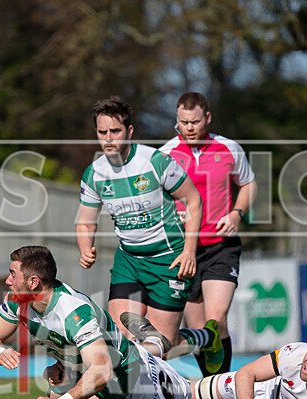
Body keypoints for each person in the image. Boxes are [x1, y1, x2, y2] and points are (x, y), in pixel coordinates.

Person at [0, 245, 213, 399]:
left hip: (119, 372)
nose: (8, 281)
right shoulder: (15, 300)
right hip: (78, 368)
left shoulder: (74, 313)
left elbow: (102, 372)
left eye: (13, 274)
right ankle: (156, 343)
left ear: (33, 282)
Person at [75, 97, 222, 364]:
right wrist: (85, 248)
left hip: (169, 259)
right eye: (102, 132)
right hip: (129, 261)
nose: (108, 138)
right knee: (121, 336)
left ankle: (206, 339)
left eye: (115, 131)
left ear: (129, 131)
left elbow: (193, 200)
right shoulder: (94, 173)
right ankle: (138, 398)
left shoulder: (155, 162)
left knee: (162, 346)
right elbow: (85, 220)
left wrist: (189, 252)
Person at [159, 92, 257, 377]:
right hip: (182, 248)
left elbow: (248, 184)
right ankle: (212, 385)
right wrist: (169, 214)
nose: (189, 128)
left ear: (207, 118)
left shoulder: (228, 148)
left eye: (195, 122)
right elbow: (154, 197)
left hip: (220, 245)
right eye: (183, 122)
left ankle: (223, 384)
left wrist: (236, 214)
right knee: (199, 327)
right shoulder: (165, 154)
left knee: (217, 319)